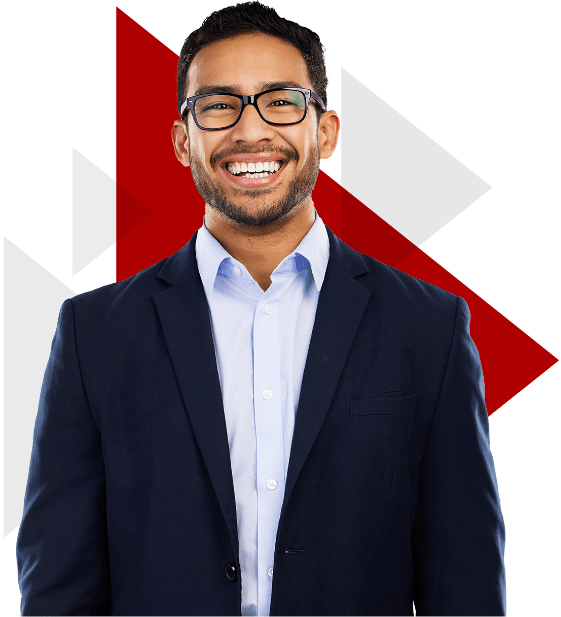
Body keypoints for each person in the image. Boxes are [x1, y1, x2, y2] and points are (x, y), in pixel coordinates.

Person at [16, 2, 507, 616]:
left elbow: (466, 583)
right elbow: (58, 581)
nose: (251, 131)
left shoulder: (428, 327)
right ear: (181, 139)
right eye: (219, 105)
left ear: (324, 130)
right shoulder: (96, 333)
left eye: (281, 101)